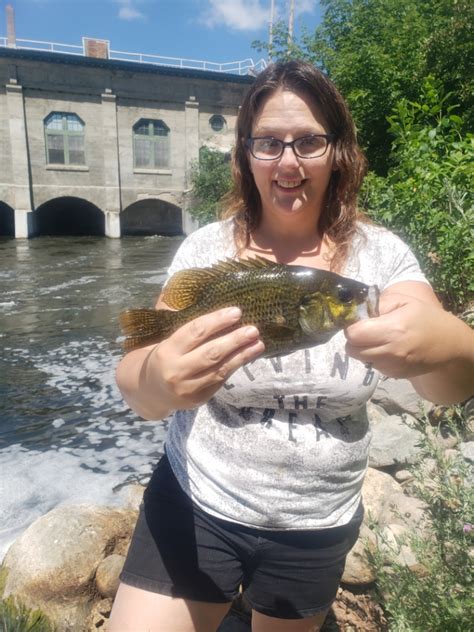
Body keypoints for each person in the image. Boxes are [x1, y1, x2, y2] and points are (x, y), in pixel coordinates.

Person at [109, 60, 474, 632]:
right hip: (197, 499)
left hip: (315, 523)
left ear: (338, 152)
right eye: (268, 143)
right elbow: (137, 385)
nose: (287, 161)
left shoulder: (379, 259)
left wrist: (452, 344)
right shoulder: (207, 251)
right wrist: (157, 377)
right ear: (245, 154)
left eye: (308, 142)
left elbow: (448, 387)